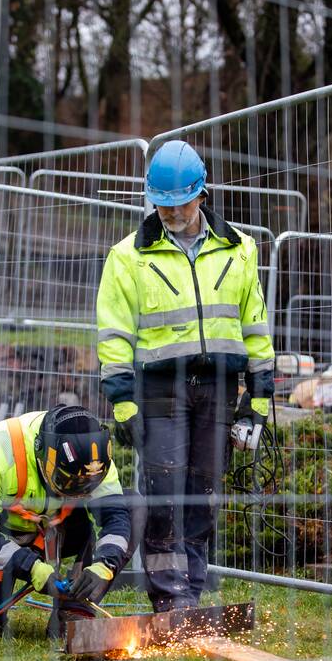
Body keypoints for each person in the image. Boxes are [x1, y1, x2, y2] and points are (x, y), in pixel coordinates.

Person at [96, 140, 275, 612]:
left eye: (180, 203)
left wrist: (258, 399)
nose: (172, 212)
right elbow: (114, 336)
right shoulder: (128, 258)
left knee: (203, 493)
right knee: (164, 494)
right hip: (158, 391)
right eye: (163, 204)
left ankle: (191, 592)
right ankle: (170, 600)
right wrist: (123, 403)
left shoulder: (239, 251)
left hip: (218, 389)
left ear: (202, 194)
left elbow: (255, 326)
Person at [0, 404, 139, 636]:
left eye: (86, 487)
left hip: (58, 533)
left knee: (134, 507)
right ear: (43, 454)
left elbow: (115, 518)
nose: (79, 493)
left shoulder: (94, 460)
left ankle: (75, 610)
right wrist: (32, 568)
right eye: (67, 482)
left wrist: (104, 565)